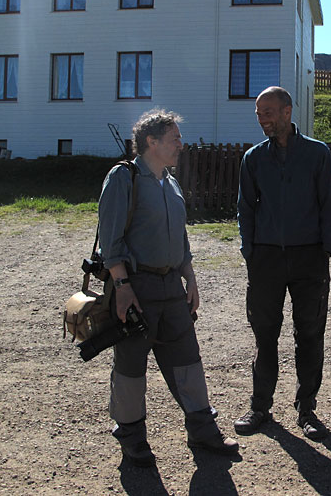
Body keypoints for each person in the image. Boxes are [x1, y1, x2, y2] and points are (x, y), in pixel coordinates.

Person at [98, 109, 239, 467]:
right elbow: (110, 240)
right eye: (174, 138)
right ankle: (131, 437)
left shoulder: (170, 182)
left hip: (171, 286)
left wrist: (190, 277)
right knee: (131, 365)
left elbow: (182, 237)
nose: (181, 144)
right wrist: (123, 286)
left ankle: (203, 432)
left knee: (188, 360)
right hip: (136, 285)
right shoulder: (123, 177)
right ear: (152, 141)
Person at [235, 86, 331, 440]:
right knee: (265, 335)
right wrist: (249, 250)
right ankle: (260, 406)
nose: (262, 119)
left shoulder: (316, 153)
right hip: (265, 258)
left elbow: (328, 202)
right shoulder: (254, 158)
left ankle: (306, 408)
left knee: (309, 333)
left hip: (309, 256)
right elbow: (245, 207)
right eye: (258, 113)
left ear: (287, 111)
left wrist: (325, 248)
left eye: (268, 112)